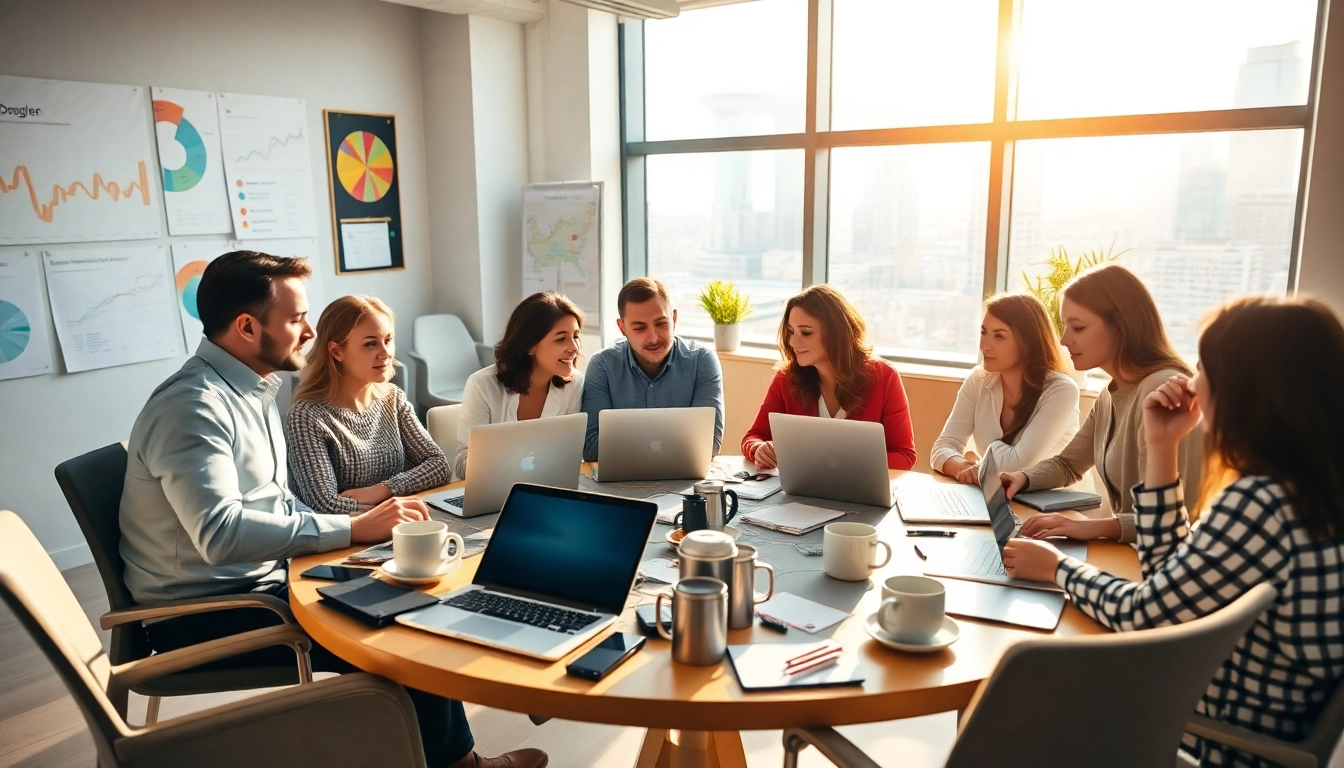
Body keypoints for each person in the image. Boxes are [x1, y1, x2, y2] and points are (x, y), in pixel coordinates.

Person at [118, 251, 546, 768]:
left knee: (419, 593)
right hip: (213, 613)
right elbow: (220, 534)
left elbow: (280, 502)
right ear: (248, 327)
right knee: (405, 631)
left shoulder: (250, 391)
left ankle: (502, 704)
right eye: (297, 319)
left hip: (268, 581)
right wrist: (350, 527)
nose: (309, 333)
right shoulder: (194, 407)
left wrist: (354, 533)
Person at [1003, 296, 1344, 766]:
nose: (1193, 383)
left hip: (1213, 744)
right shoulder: (1307, 491)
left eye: (1204, 368)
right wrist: (1162, 446)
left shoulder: (1262, 503)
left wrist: (1057, 569)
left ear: (1248, 390)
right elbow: (1170, 579)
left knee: (1020, 701)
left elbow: (1144, 615)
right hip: (1235, 728)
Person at [1000, 264, 1200, 544]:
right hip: (1133, 551)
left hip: (1168, 557)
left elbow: (1176, 518)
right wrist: (1023, 478)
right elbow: (1068, 465)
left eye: (1078, 327)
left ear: (1121, 326)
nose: (1064, 340)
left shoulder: (1163, 391)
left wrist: (1089, 527)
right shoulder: (1111, 393)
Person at [287, 295, 451, 515]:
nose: (386, 353)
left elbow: (439, 465)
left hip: (401, 522)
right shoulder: (306, 415)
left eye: (388, 340)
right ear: (336, 352)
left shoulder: (393, 399)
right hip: (346, 534)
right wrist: (391, 510)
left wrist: (383, 490)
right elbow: (324, 505)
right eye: (370, 344)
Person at [741, 284, 917, 470]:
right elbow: (753, 436)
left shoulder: (885, 377)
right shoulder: (786, 378)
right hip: (802, 487)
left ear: (836, 333)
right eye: (791, 331)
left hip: (859, 487)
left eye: (805, 332)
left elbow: (905, 456)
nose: (793, 341)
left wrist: (843, 461)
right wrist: (759, 449)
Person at [931, 293, 1079, 482]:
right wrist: (964, 468)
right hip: (993, 495)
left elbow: (1017, 467)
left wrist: (985, 459)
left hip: (1051, 499)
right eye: (984, 333)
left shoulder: (1061, 391)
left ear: (1028, 341)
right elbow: (942, 447)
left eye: (999, 336)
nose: (985, 346)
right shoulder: (978, 380)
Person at [580, 277, 725, 462]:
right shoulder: (602, 366)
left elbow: (710, 443)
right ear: (622, 328)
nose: (653, 338)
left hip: (682, 477)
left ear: (674, 319)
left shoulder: (702, 362)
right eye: (639, 328)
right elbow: (591, 448)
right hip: (622, 479)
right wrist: (675, 438)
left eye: (661, 323)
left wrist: (623, 438)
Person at [455, 291, 584, 479]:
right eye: (561, 339)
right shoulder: (482, 385)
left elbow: (572, 457)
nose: (574, 348)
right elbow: (462, 466)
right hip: (496, 489)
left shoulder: (574, 384)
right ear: (530, 345)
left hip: (547, 486)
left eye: (576, 336)